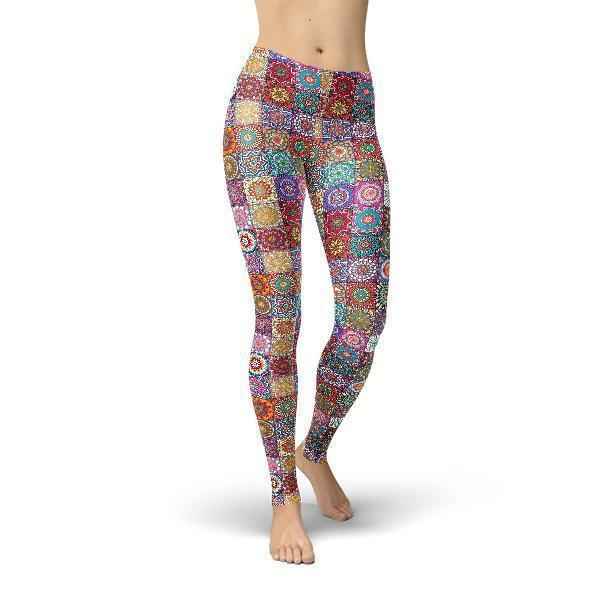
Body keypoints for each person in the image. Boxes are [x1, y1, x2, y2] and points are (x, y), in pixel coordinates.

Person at [222, 0, 390, 564]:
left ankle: (312, 451)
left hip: (349, 113)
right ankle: (283, 496)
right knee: (278, 316)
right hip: (266, 107)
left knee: (363, 320)